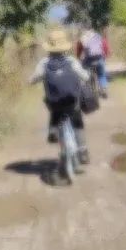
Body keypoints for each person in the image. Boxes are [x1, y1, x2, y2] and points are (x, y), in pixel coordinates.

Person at [30, 29, 91, 164]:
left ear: (50, 47)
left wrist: (31, 81)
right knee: (77, 121)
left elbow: (34, 78)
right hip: (72, 100)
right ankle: (82, 151)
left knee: (54, 111)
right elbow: (85, 76)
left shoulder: (44, 63)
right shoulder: (71, 61)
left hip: (54, 102)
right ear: (64, 46)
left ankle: (53, 131)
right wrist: (86, 78)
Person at [75, 26, 110, 98]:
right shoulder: (98, 37)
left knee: (85, 73)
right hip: (99, 58)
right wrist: (105, 56)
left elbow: (79, 50)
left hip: (88, 60)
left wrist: (78, 57)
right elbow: (105, 47)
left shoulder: (83, 38)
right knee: (101, 75)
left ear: (85, 31)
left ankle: (88, 88)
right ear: (92, 30)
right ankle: (104, 89)